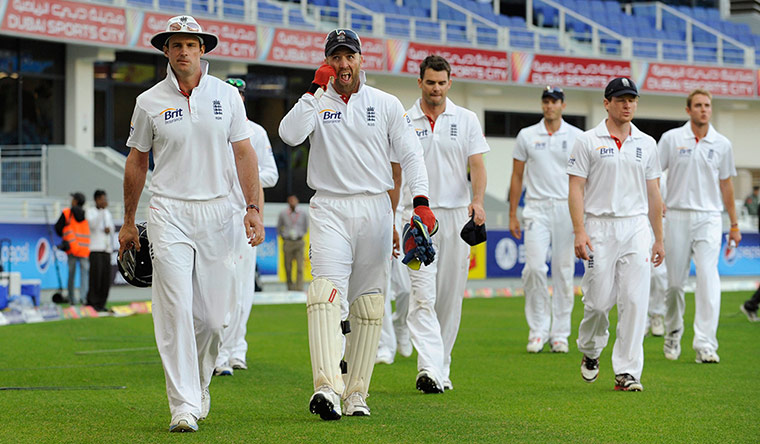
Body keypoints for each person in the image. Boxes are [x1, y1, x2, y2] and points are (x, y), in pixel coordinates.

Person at [118, 15, 264, 433]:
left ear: (203, 49)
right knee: (175, 309)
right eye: (175, 44)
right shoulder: (148, 101)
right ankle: (182, 404)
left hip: (220, 212)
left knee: (215, 318)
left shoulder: (227, 96)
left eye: (191, 44)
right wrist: (129, 221)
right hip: (168, 212)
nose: (183, 51)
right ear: (165, 50)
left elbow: (244, 155)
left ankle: (199, 386)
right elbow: (137, 161)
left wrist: (253, 208)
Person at [279, 28, 433, 420]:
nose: (343, 64)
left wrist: (421, 202)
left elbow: (412, 155)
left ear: (361, 59)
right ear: (328, 62)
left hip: (375, 209)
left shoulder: (384, 103)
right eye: (336, 57)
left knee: (367, 307)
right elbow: (288, 133)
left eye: (349, 56)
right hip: (329, 207)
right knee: (324, 295)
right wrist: (313, 92)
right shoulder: (316, 101)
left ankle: (357, 395)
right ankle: (328, 388)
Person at [568, 77, 664, 392]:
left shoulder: (647, 143)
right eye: (621, 99)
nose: (627, 105)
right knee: (597, 302)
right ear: (606, 103)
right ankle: (591, 349)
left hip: (636, 226)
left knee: (635, 301)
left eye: (632, 99)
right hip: (598, 225)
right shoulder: (587, 140)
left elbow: (654, 194)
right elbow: (576, 189)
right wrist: (579, 230)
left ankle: (626, 371)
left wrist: (658, 238)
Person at [404, 55, 489, 393]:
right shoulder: (405, 119)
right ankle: (428, 368)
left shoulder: (466, 119)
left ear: (449, 83)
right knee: (422, 295)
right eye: (430, 82)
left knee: (450, 298)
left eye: (441, 83)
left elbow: (478, 165)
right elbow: (397, 169)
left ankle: (442, 366)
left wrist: (478, 200)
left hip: (455, 216)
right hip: (416, 216)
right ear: (420, 82)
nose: (436, 89)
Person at [659, 88, 741, 364]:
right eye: (698, 105)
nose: (703, 109)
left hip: (709, 217)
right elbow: (654, 174)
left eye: (707, 105)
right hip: (677, 215)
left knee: (708, 279)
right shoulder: (671, 139)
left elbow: (726, 183)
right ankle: (673, 330)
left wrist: (734, 223)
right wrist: (656, 204)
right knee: (674, 285)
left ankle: (705, 343)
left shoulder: (722, 144)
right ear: (688, 110)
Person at [509, 86, 583, 354]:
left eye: (554, 101)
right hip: (536, 208)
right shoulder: (527, 135)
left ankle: (560, 333)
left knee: (564, 272)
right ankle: (538, 330)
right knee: (534, 269)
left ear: (563, 105)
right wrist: (512, 213)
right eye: (546, 101)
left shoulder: (577, 136)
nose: (549, 105)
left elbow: (584, 177)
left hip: (566, 207)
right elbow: (517, 176)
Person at [214, 77, 279, 377]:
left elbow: (271, 174)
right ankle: (218, 351)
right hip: (215, 215)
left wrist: (244, 174)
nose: (235, 100)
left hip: (246, 214)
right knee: (219, 284)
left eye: (239, 96)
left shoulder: (256, 132)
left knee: (242, 286)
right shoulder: (212, 130)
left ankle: (236, 349)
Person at [54, 192, 90, 305]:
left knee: (71, 275)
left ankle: (72, 299)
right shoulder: (87, 214)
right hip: (84, 249)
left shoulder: (67, 213)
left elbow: (58, 228)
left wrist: (65, 239)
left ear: (75, 201)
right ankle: (84, 298)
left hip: (71, 248)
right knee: (84, 275)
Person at [85, 190, 115, 312]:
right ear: (97, 200)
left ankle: (102, 303)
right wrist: (101, 211)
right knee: (95, 277)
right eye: (102, 199)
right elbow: (93, 225)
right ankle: (92, 302)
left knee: (105, 278)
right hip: (95, 248)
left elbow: (111, 228)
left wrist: (109, 229)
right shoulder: (90, 212)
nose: (105, 201)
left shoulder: (107, 213)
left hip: (106, 249)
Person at [277, 194, 308, 291]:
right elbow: (279, 227)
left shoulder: (303, 213)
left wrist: (301, 234)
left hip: (299, 241)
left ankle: (299, 288)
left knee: (299, 267)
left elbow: (305, 226)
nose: (292, 203)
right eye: (290, 201)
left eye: (294, 200)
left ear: (297, 201)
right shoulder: (283, 213)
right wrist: (284, 236)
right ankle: (290, 287)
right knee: (288, 266)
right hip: (288, 242)